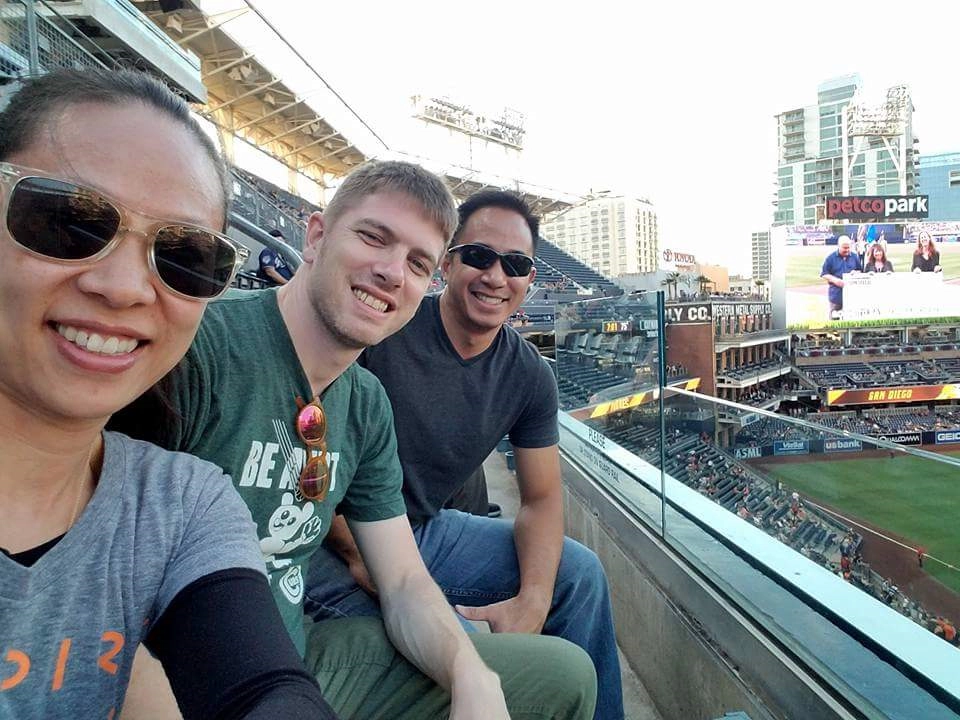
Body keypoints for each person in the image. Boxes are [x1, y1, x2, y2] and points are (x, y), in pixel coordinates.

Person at [113, 164, 597, 719]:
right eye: (373, 237)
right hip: (188, 684)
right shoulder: (200, 350)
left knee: (564, 673)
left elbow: (405, 579)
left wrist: (470, 675)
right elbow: (102, 591)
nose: (392, 272)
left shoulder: (365, 402)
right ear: (316, 236)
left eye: (417, 263)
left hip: (294, 652)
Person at [0, 68, 336, 718]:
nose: (124, 287)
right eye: (69, 221)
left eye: (184, 256)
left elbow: (263, 689)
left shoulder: (181, 503)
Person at [307, 190, 623, 720]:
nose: (496, 277)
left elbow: (541, 499)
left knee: (579, 574)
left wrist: (534, 602)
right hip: (332, 538)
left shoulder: (528, 375)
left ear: (530, 279)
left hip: (424, 531)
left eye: (516, 264)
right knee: (463, 663)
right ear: (448, 263)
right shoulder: (385, 327)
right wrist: (366, 559)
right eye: (479, 256)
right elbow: (313, 457)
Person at [820, 235, 861, 319]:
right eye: (844, 248)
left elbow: (860, 270)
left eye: (848, 248)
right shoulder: (830, 258)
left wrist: (856, 273)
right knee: (835, 318)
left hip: (852, 294)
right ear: (838, 246)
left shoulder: (854, 256)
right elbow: (824, 273)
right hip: (836, 294)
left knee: (851, 318)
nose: (847, 250)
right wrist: (835, 280)